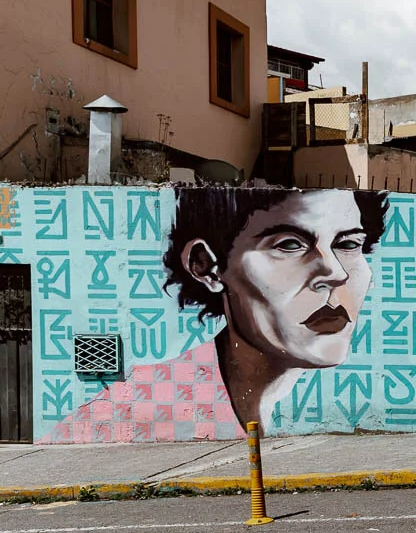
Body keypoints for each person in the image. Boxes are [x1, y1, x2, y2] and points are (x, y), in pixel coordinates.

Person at [42, 188, 387, 443]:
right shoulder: (122, 410)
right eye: (289, 245)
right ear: (206, 268)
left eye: (349, 244)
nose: (335, 273)